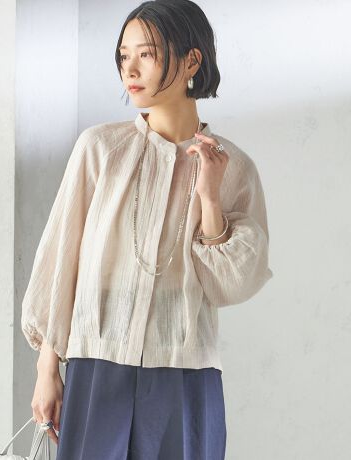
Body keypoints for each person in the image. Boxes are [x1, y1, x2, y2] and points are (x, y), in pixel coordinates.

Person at [21, 1, 273, 459]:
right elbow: (60, 260)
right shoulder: (100, 149)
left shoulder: (234, 169)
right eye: (124, 55)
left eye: (147, 54)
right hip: (97, 365)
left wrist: (209, 198)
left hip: (185, 373)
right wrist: (46, 367)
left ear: (192, 61)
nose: (130, 69)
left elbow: (233, 285)